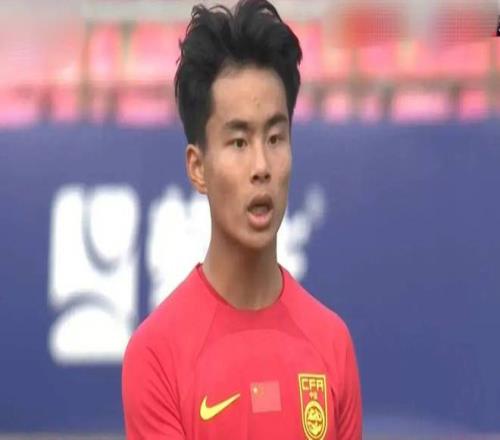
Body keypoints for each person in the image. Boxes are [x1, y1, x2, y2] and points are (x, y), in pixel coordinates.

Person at [122, 0, 362, 438]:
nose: (261, 166)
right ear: (197, 167)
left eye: (275, 138)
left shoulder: (331, 343)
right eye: (238, 142)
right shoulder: (157, 355)